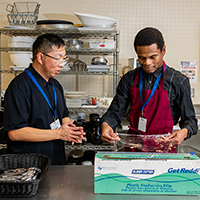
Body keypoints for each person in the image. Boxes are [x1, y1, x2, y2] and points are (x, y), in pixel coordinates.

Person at [101, 27, 198, 152]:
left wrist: (184, 132)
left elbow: (190, 121)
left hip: (164, 148)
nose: (147, 63)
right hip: (134, 148)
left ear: (163, 50)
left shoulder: (178, 81)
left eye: (153, 57)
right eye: (142, 58)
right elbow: (114, 113)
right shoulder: (129, 79)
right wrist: (106, 125)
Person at [4, 33, 85, 165]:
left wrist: (69, 130)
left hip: (55, 160)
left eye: (64, 59)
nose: (62, 64)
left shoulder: (55, 85)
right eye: (57, 59)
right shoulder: (19, 87)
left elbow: (63, 114)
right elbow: (15, 133)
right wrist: (59, 134)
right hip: (29, 166)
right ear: (40, 57)